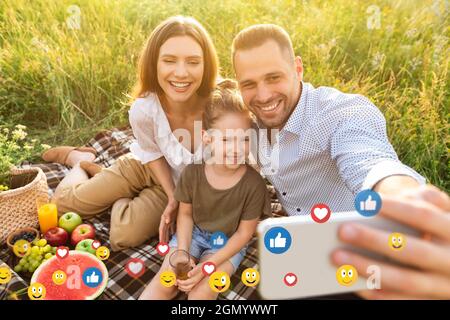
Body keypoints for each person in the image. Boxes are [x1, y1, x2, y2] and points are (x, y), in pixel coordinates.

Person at [232, 24, 450, 299]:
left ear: (298, 69)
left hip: (362, 250)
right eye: (249, 84)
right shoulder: (247, 123)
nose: (263, 96)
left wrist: (405, 200)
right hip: (304, 245)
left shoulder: (339, 113)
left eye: (274, 77)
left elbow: (369, 160)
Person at [42, 16, 219, 251]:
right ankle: (80, 160)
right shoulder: (145, 109)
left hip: (183, 186)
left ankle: (107, 180)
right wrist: (173, 197)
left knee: (122, 237)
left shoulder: (223, 107)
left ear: (206, 65)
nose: (181, 73)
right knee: (61, 209)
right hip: (147, 167)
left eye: (193, 62)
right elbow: (152, 153)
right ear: (154, 63)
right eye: (169, 60)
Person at [139, 80, 271, 300]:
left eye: (245, 139)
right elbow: (185, 214)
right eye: (227, 139)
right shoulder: (193, 173)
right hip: (193, 235)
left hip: (229, 245)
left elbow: (244, 234)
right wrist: (182, 250)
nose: (237, 148)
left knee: (202, 292)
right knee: (166, 280)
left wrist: (208, 265)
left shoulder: (254, 184)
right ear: (208, 139)